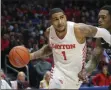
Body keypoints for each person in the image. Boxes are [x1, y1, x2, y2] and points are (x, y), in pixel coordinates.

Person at [30, 8, 111, 89]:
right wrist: (32, 56)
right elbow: (50, 48)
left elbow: (103, 32)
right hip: (58, 71)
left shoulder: (79, 29)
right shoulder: (49, 32)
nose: (60, 22)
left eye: (62, 17)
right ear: (51, 21)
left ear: (65, 17)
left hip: (76, 74)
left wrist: (86, 71)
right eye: (56, 19)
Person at [85, 5, 111, 75]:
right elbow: (94, 60)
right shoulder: (100, 37)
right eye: (99, 17)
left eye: (103, 17)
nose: (99, 20)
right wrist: (84, 71)